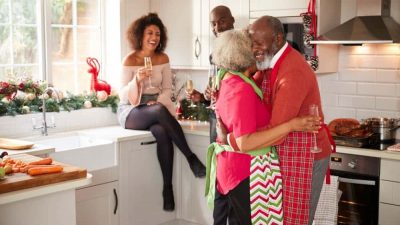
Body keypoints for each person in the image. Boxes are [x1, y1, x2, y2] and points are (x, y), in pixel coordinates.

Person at [225, 16, 333, 225]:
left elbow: (276, 131)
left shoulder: (292, 72)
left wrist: (234, 138)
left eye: (258, 43)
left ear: (278, 39)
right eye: (251, 43)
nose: (254, 49)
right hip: (285, 153)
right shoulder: (268, 64)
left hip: (306, 156)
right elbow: (246, 89)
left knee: (296, 220)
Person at [117, 13, 206, 212]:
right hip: (132, 110)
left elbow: (167, 89)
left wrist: (158, 101)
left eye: (157, 33)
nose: (154, 37)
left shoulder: (162, 58)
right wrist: (137, 80)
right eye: (150, 33)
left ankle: (167, 189)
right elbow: (122, 94)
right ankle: (191, 158)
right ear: (140, 35)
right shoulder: (130, 59)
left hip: (156, 107)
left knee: (161, 131)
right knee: (157, 112)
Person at [186, 5, 235, 143]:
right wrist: (202, 97)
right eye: (213, 24)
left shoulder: (241, 52)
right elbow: (213, 92)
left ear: (232, 20)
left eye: (222, 21)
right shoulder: (213, 55)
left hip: (233, 117)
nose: (217, 28)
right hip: (216, 116)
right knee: (215, 160)